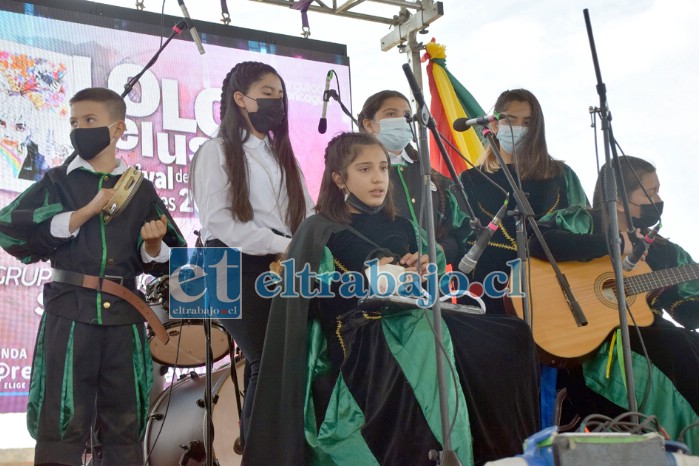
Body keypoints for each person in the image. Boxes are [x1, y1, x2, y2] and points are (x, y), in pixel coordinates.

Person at [245, 132, 541, 466]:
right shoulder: (320, 229)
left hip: (417, 321)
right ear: (339, 178)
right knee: (426, 343)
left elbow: (437, 287)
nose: (378, 178)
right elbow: (310, 301)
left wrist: (427, 271)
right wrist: (367, 281)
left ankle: (505, 455)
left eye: (384, 168)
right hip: (361, 336)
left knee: (512, 337)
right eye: (365, 169)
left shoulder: (403, 224)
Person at [0, 87, 186, 466]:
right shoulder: (57, 182)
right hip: (69, 314)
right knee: (61, 419)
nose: (79, 129)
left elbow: (169, 256)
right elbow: (10, 228)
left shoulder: (141, 189)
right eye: (73, 122)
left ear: (117, 129)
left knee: (124, 424)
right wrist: (85, 211)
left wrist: (152, 247)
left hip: (123, 318)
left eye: (89, 121)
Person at [528, 155, 699, 453]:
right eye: (650, 192)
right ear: (618, 202)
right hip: (591, 347)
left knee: (683, 341)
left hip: (651, 338)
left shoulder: (665, 253)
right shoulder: (582, 221)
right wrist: (611, 243)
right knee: (676, 344)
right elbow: (538, 241)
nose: (658, 200)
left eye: (659, 191)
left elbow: (688, 313)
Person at [189, 61, 315, 449]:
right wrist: (284, 244)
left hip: (278, 264)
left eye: (280, 95)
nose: (277, 101)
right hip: (228, 264)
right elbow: (220, 223)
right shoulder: (216, 150)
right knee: (265, 357)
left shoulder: (282, 156)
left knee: (289, 361)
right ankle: (260, 449)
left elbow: (307, 215)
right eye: (267, 94)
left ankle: (277, 445)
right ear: (240, 99)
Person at [459, 88, 588, 315]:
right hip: (488, 290)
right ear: (495, 124)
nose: (518, 128)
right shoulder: (470, 179)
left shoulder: (561, 175)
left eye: (527, 122)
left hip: (553, 290)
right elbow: (458, 235)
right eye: (510, 119)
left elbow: (584, 228)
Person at [358, 90, 471, 268]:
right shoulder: (355, 175)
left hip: (431, 285)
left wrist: (437, 252)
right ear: (369, 124)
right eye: (391, 114)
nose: (402, 120)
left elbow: (457, 236)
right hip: (380, 282)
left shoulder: (431, 176)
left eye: (407, 115)